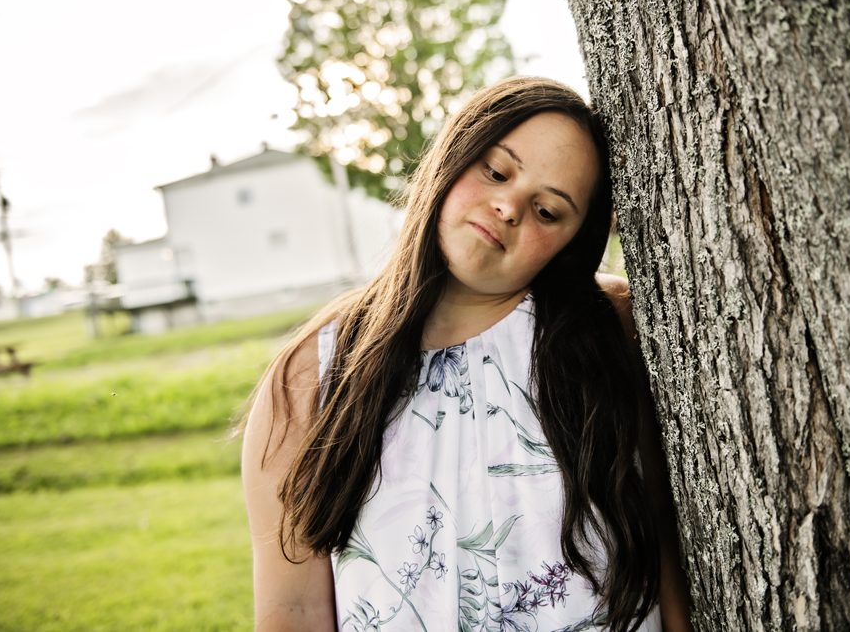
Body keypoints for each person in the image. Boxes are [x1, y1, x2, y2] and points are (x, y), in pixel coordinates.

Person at [241, 76, 692, 631]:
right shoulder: (313, 374)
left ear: (571, 244)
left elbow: (668, 552)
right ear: (453, 157)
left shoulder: (612, 335)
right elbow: (293, 608)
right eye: (496, 171)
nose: (507, 207)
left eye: (548, 211)